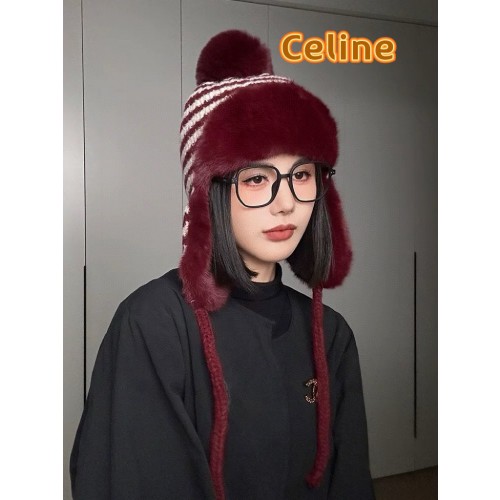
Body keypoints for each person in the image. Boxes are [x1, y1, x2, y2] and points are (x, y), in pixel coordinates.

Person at [70, 30, 375, 500]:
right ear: (205, 193)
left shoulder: (331, 334)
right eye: (256, 178)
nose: (286, 203)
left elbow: (349, 484)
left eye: (301, 174)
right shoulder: (152, 324)